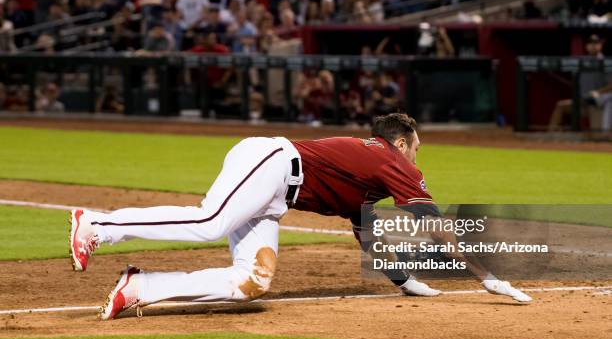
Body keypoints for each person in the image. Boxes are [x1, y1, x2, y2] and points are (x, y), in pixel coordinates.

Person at [68, 113, 531, 320]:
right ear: (402, 143)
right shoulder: (391, 159)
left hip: (273, 193)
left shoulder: (369, 178)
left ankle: (140, 288)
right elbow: (434, 222)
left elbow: (364, 232)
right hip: (271, 161)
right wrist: (485, 276)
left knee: (251, 282)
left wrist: (404, 281)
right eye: (416, 147)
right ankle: (96, 225)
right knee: (210, 221)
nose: (416, 157)